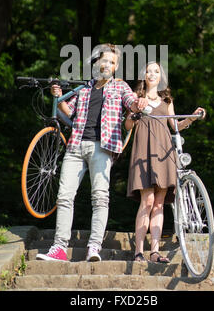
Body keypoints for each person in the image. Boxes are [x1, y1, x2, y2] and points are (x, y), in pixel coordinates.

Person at [36, 43, 148, 262]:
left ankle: (94, 247)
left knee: (100, 197)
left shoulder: (120, 87)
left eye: (112, 62)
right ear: (96, 63)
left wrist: (139, 103)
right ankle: (59, 248)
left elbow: (132, 104)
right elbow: (68, 111)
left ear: (115, 68)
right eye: (104, 60)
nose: (108, 65)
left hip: (102, 147)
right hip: (76, 145)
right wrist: (57, 97)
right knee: (65, 196)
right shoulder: (84, 88)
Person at [125, 61, 206, 263]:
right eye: (148, 71)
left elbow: (175, 125)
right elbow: (127, 125)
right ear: (143, 76)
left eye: (156, 71)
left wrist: (192, 118)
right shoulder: (136, 98)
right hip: (143, 151)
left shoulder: (166, 100)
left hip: (164, 153)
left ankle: (154, 251)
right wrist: (135, 113)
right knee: (148, 200)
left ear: (161, 77)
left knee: (159, 203)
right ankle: (138, 251)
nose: (152, 74)